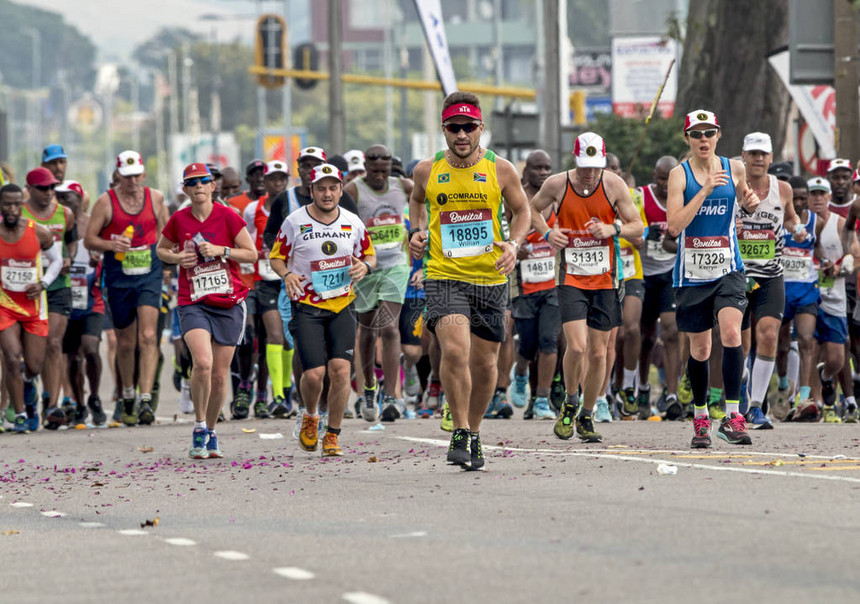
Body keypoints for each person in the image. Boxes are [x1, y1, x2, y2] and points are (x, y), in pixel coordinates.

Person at [409, 91, 531, 470]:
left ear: (481, 128)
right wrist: (414, 231)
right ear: (443, 129)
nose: (462, 135)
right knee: (455, 349)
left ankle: (474, 431)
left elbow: (522, 210)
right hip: (444, 275)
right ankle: (459, 428)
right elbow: (416, 200)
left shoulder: (502, 169)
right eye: (454, 127)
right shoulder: (427, 170)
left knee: (485, 366)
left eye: (469, 127)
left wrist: (513, 244)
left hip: (491, 278)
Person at [530, 132, 644, 443]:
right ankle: (570, 400)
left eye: (595, 167)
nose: (590, 173)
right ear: (574, 160)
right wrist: (547, 232)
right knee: (577, 347)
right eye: (584, 166)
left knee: (598, 353)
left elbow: (638, 227)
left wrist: (613, 228)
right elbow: (531, 208)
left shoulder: (614, 185)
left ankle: (588, 413)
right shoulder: (557, 184)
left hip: (605, 280)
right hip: (571, 278)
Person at [666, 110, 760, 448]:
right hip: (691, 273)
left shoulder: (734, 168)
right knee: (702, 347)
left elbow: (747, 202)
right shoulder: (680, 175)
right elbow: (675, 226)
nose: (703, 140)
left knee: (733, 332)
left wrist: (750, 203)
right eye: (696, 134)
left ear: (718, 135)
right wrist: (704, 190)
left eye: (709, 133)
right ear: (687, 138)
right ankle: (701, 417)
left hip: (728, 268)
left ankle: (732, 417)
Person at [269, 163, 376, 457]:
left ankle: (332, 434)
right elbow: (276, 257)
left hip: (342, 303)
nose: (327, 194)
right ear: (312, 191)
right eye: (321, 188)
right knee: (314, 374)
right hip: (307, 305)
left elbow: (369, 253)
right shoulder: (294, 221)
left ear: (341, 190)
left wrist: (364, 266)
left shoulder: (353, 221)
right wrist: (287, 275)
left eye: (333, 188)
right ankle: (311, 415)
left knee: (341, 370)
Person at [157, 163, 257, 458]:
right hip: (194, 301)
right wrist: (177, 258)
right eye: (192, 182)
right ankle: (199, 426)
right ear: (185, 189)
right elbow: (161, 249)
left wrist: (221, 251)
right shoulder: (179, 219)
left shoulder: (228, 216)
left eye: (204, 181)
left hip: (228, 302)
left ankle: (211, 431)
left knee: (219, 374)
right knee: (202, 362)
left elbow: (251, 254)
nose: (199, 186)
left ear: (213, 186)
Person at [84, 150, 168, 426]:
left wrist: (168, 264)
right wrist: (111, 244)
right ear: (118, 175)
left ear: (143, 174)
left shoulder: (155, 199)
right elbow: (89, 240)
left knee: (147, 335)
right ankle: (128, 393)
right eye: (126, 176)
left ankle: (145, 398)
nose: (132, 181)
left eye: (136, 176)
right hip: (118, 276)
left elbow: (167, 236)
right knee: (126, 341)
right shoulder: (105, 202)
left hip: (149, 274)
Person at [737, 132, 802, 429]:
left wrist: (798, 228)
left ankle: (755, 406)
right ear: (744, 157)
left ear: (771, 158)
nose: (758, 158)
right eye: (753, 153)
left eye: (763, 154)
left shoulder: (783, 188)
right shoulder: (733, 187)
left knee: (768, 334)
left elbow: (789, 218)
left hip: (771, 275)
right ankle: (738, 389)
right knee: (736, 341)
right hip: (738, 274)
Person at [345, 144, 413, 422]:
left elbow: (425, 200)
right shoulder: (353, 190)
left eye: (384, 171)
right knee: (367, 331)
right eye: (374, 171)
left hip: (396, 266)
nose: (379, 176)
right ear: (366, 167)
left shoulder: (404, 186)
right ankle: (369, 387)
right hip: (364, 269)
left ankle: (392, 394)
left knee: (389, 327)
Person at [0, 184, 62, 433]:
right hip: (4, 305)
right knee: (12, 359)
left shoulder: (38, 231)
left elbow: (57, 260)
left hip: (34, 306)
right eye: (7, 204)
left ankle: (28, 383)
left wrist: (43, 283)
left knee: (34, 366)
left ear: (22, 205)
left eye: (16, 204)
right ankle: (21, 414)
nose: (12, 209)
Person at [23, 167, 77, 429]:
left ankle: (52, 404)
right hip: (26, 289)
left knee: (55, 344)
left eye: (52, 188)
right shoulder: (18, 213)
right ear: (30, 189)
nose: (48, 193)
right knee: (34, 351)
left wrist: (70, 258)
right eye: (43, 188)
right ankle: (31, 392)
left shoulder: (64, 213)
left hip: (58, 286)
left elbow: (72, 241)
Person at [510, 150, 558, 420]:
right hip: (523, 281)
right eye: (537, 167)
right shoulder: (515, 196)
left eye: (547, 167)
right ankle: (520, 373)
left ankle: (542, 399)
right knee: (528, 343)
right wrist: (515, 247)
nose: (543, 172)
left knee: (549, 340)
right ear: (526, 169)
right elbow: (501, 230)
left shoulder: (558, 196)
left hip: (553, 280)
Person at [243, 160, 292, 418]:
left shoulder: (295, 206)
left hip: (292, 279)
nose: (276, 183)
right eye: (272, 178)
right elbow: (248, 241)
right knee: (274, 335)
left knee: (288, 337)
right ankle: (278, 396)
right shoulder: (253, 209)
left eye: (281, 178)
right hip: (265, 280)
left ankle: (287, 387)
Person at [57, 180, 107, 426]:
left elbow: (108, 249)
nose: (62, 202)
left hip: (91, 298)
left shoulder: (91, 223)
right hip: (65, 298)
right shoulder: (56, 224)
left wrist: (100, 260)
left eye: (66, 197)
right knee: (72, 357)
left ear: (79, 198)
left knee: (90, 348)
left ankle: (95, 397)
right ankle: (78, 403)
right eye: (59, 197)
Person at [638, 157, 682, 419]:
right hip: (643, 273)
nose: (665, 184)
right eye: (660, 178)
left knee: (672, 331)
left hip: (669, 272)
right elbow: (629, 224)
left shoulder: (683, 198)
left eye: (669, 178)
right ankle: (643, 387)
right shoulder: (642, 196)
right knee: (645, 337)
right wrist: (645, 232)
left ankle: (672, 394)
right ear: (654, 176)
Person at [775, 177, 820, 420]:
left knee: (805, 340)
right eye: (797, 198)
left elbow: (822, 249)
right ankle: (783, 383)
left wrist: (827, 264)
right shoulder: (778, 220)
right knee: (780, 346)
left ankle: (804, 398)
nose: (801, 202)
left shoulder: (816, 222)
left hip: (806, 290)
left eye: (805, 197)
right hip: (781, 289)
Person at [811, 177, 853, 423]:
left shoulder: (840, 224)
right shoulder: (802, 222)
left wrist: (839, 270)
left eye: (821, 194)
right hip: (809, 297)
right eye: (813, 194)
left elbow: (854, 257)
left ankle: (826, 378)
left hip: (834, 298)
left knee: (836, 359)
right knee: (808, 348)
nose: (817, 198)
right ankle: (814, 404)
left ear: (828, 198)